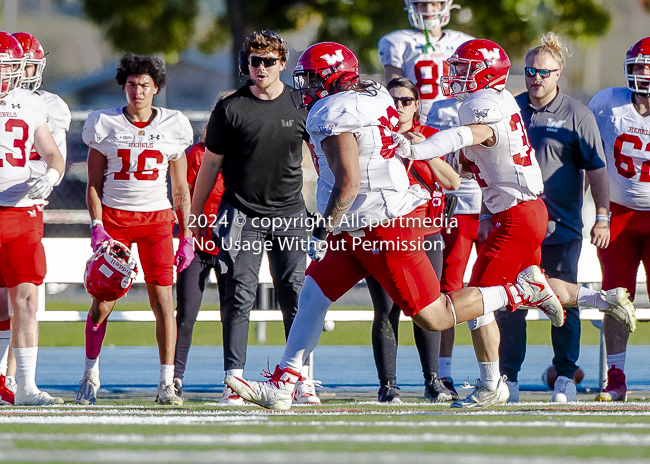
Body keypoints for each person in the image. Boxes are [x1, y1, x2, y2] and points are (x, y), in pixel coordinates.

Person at [223, 41, 567, 411]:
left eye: (311, 80)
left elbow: (348, 181)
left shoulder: (335, 112)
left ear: (333, 79)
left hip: (382, 226)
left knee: (433, 316)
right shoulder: (370, 95)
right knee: (313, 294)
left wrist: (323, 230)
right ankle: (284, 383)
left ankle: (521, 291)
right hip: (359, 223)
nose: (306, 89)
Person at [418, 39, 635, 408]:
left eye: (463, 69)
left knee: (479, 299)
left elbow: (468, 136)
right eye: (530, 70)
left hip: (522, 216)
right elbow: (480, 161)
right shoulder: (506, 101)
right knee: (489, 297)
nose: (455, 76)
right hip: (518, 212)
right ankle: (601, 298)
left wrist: (417, 147)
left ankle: (493, 382)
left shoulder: (486, 104)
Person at [189, 31, 319, 406]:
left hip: (290, 213)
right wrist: (196, 214)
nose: (258, 68)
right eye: (252, 61)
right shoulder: (230, 108)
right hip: (241, 213)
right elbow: (210, 164)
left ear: (282, 63)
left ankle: (300, 378)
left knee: (296, 295)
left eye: (266, 61)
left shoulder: (301, 104)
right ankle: (235, 380)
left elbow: (322, 156)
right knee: (238, 295)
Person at [495, 32, 613, 403]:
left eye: (544, 72)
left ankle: (565, 376)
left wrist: (603, 216)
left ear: (558, 73)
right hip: (515, 225)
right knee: (510, 303)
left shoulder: (578, 114)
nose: (535, 78)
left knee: (564, 301)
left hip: (561, 226)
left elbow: (597, 169)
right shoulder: (509, 109)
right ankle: (507, 378)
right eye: (530, 70)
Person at [75, 53, 194, 406]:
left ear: (156, 88)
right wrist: (97, 226)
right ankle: (90, 374)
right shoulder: (104, 123)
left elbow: (181, 189)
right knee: (103, 301)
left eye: (144, 85)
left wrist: (186, 235)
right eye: (131, 84)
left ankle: (166, 383)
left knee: (163, 303)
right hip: (115, 221)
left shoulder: (174, 124)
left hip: (157, 221)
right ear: (123, 86)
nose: (137, 91)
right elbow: (93, 183)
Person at [367, 76, 461, 403]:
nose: (399, 105)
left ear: (416, 104)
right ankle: (388, 385)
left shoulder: (431, 135)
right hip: (386, 232)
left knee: (427, 307)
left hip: (426, 234)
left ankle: (432, 379)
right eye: (393, 99)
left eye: (406, 100)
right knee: (386, 309)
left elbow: (452, 181)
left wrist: (422, 149)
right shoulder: (374, 136)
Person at [0, 32, 72, 406]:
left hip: (22, 212)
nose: (4, 77)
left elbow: (54, 154)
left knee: (26, 298)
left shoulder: (30, 103)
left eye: (7, 70)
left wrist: (52, 176)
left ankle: (25, 386)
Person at [588, 36, 650, 402]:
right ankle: (616, 376)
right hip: (618, 215)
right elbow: (591, 161)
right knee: (615, 295)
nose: (643, 73)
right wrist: (596, 213)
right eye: (638, 66)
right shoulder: (607, 103)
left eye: (649, 66)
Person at [172, 127, 225, 398]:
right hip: (198, 243)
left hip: (231, 244)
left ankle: (233, 379)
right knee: (186, 315)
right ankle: (174, 377)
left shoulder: (242, 155)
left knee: (233, 314)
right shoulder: (198, 154)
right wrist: (187, 235)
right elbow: (185, 195)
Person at [378, 0, 473, 121]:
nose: (428, 10)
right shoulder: (399, 42)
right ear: (413, 6)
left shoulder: (463, 42)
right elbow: (395, 91)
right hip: (419, 122)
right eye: (422, 4)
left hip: (457, 119)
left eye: (434, 4)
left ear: (444, 6)